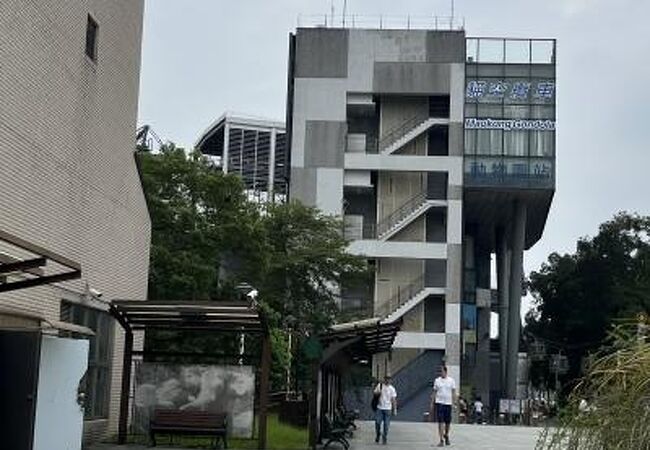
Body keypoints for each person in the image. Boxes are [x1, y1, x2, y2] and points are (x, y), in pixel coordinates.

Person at [431, 366, 456, 447]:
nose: (440, 373)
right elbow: (434, 392)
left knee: (448, 422)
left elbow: (453, 392)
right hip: (439, 403)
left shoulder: (451, 380)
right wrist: (432, 403)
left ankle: (446, 434)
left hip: (448, 403)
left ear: (446, 371)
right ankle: (441, 439)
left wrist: (454, 403)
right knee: (440, 421)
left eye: (441, 371)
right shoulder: (437, 381)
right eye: (440, 372)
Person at [373, 375, 397, 445]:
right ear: (384, 379)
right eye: (386, 379)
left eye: (389, 379)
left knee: (386, 425)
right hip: (379, 408)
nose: (387, 380)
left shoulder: (392, 389)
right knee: (377, 422)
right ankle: (378, 434)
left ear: (391, 380)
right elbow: (375, 393)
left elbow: (393, 400)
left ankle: (384, 437)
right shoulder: (380, 386)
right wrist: (378, 393)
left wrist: (394, 409)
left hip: (388, 409)